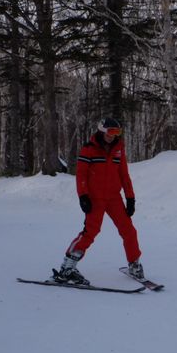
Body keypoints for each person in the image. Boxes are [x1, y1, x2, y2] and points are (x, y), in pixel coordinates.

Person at [56, 118, 143, 286]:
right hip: (95, 198)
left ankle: (134, 265)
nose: (113, 136)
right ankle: (67, 268)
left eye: (117, 132)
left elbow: (124, 175)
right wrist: (83, 196)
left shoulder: (118, 149)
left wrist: (130, 197)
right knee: (91, 232)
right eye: (110, 132)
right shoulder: (89, 149)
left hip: (114, 198)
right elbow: (81, 175)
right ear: (102, 131)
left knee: (129, 230)